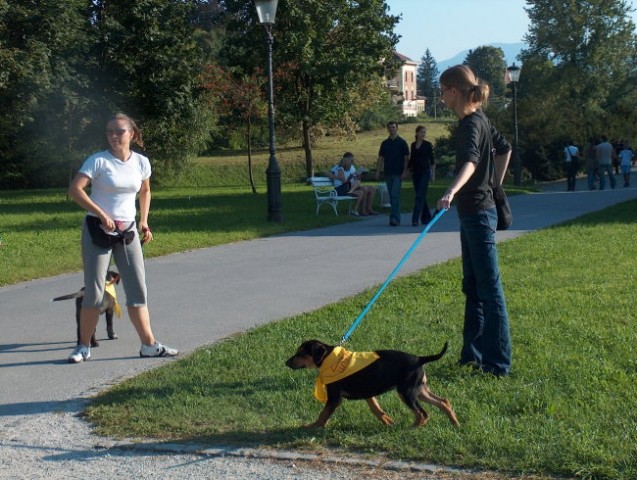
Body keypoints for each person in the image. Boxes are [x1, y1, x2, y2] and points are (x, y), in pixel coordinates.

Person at [67, 113, 178, 363]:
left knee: (138, 291)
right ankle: (83, 346)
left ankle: (149, 345)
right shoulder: (97, 161)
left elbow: (145, 190)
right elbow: (75, 190)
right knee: (94, 294)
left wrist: (144, 220)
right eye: (109, 132)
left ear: (132, 134)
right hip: (98, 229)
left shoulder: (141, 162)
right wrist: (100, 213)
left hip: (127, 232)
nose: (114, 136)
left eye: (119, 131)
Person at [436, 65, 512, 377]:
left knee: (490, 289)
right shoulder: (480, 119)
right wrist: (494, 185)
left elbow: (470, 161)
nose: (441, 96)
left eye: (442, 90)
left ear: (454, 91)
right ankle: (472, 355)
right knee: (473, 286)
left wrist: (453, 190)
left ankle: (497, 364)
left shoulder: (470, 125)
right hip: (474, 211)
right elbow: (504, 149)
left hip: (477, 213)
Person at [375, 121, 409, 226]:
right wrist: (378, 171)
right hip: (388, 172)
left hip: (398, 173)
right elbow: (380, 158)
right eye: (390, 127)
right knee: (391, 195)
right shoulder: (385, 143)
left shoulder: (402, 142)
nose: (392, 129)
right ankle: (393, 217)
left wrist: (405, 171)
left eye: (393, 127)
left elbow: (406, 158)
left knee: (395, 195)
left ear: (397, 128)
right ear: (387, 129)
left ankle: (395, 218)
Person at [408, 125, 436, 226]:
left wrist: (433, 174)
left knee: (420, 196)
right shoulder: (413, 145)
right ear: (417, 133)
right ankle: (427, 218)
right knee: (421, 196)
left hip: (425, 173)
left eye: (424, 132)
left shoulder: (427, 145)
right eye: (421, 132)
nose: (423, 134)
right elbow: (411, 160)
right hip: (416, 173)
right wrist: (407, 169)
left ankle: (415, 219)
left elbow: (432, 161)